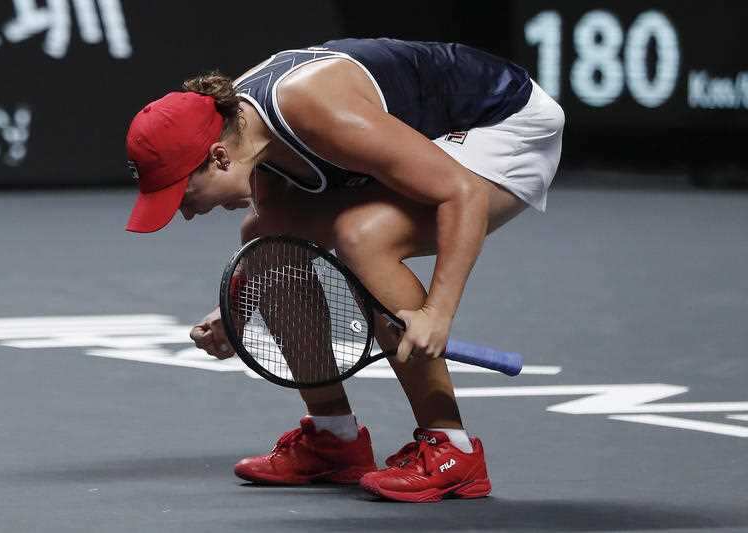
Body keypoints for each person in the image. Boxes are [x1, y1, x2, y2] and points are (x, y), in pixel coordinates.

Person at [124, 38, 564, 503]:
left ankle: (452, 451)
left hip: (503, 123)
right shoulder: (241, 130)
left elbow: (461, 194)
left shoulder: (313, 110)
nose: (187, 214)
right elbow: (279, 228)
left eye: (183, 197)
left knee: (363, 235)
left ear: (218, 158)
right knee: (266, 245)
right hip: (422, 134)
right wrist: (238, 309)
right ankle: (335, 439)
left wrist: (437, 312)